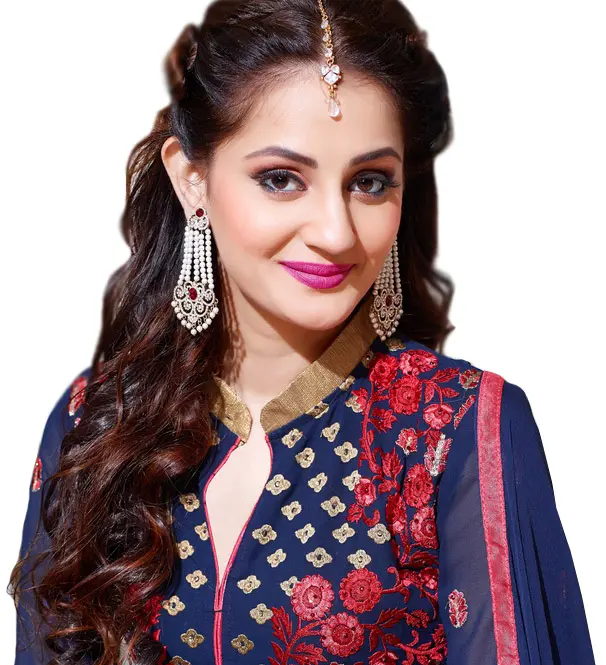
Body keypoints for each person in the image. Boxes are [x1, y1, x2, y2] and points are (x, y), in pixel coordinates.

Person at [9, 0, 596, 664]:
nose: (336, 232)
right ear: (191, 179)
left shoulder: (457, 429)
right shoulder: (97, 423)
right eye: (281, 179)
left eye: (369, 182)